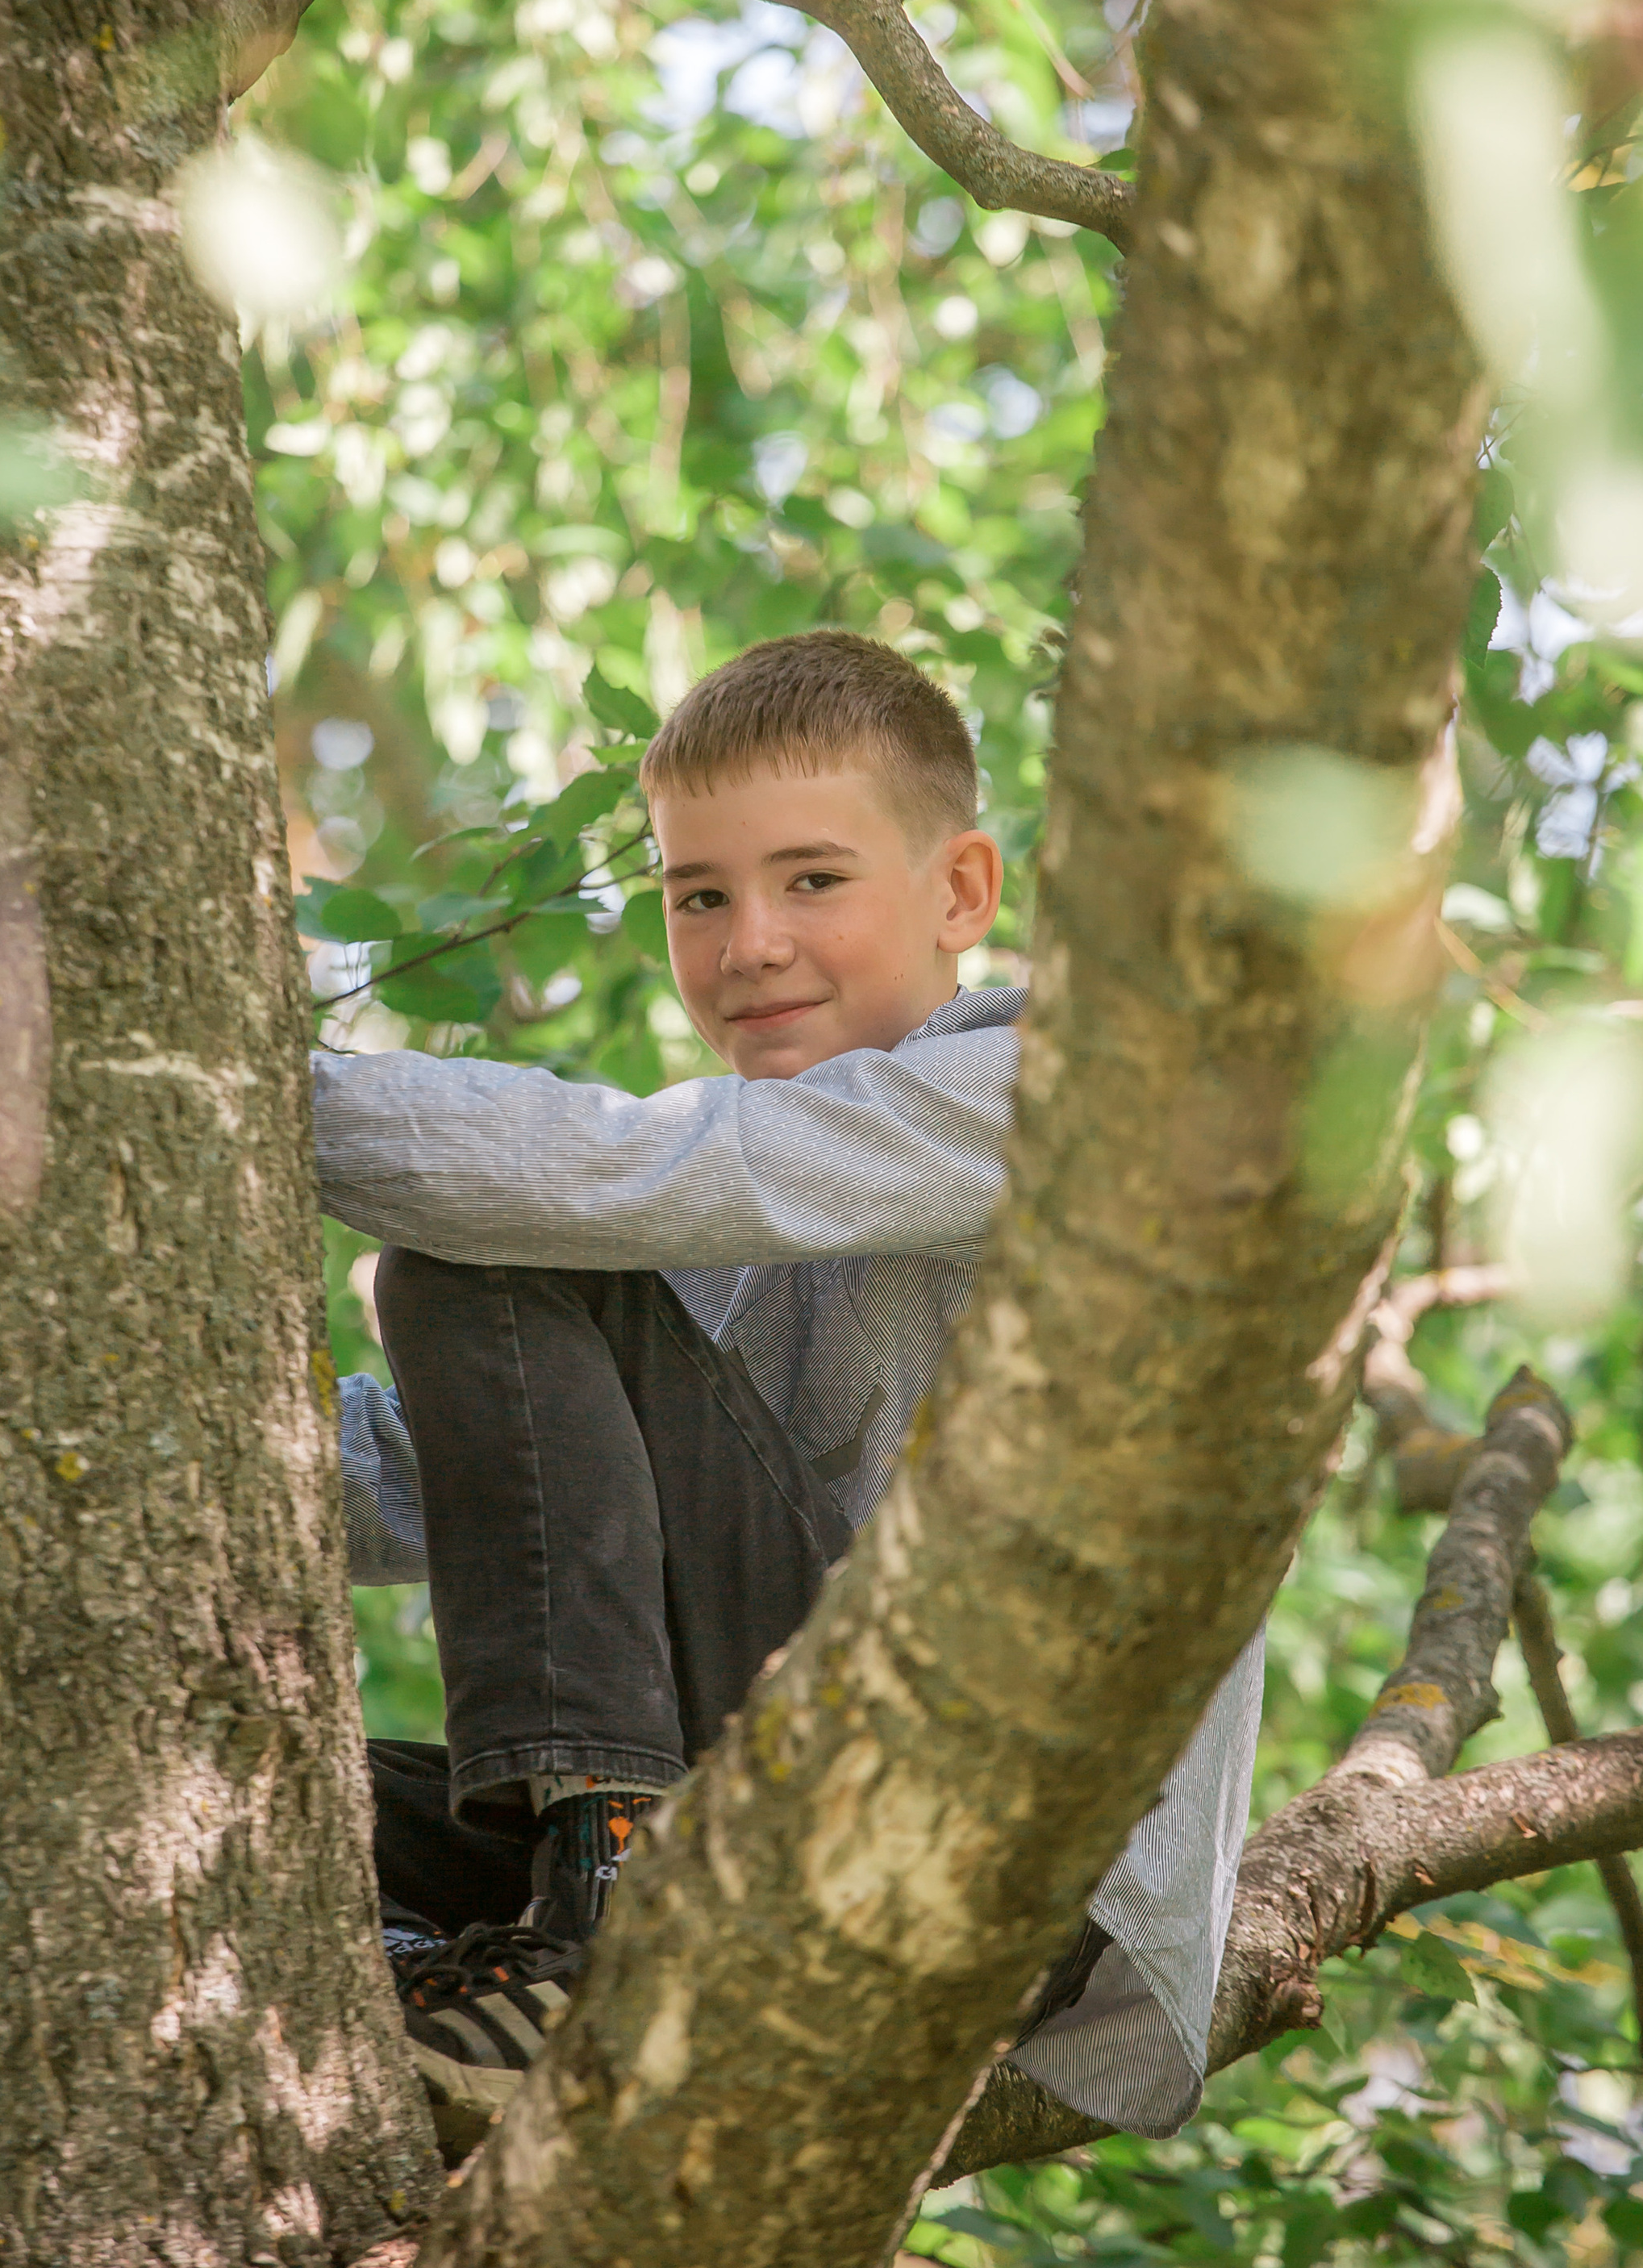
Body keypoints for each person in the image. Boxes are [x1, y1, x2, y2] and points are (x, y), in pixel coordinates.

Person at [315, 628, 1263, 2156]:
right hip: (754, 1824)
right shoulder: (723, 1246)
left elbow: (621, 1175)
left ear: (961, 893)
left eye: (813, 879)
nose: (749, 943)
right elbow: (442, 1477)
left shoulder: (1062, 1091)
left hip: (987, 1860)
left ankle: (604, 1922)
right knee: (268, 1800)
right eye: (699, 896)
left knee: (479, 1242)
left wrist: (256, 1090)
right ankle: (541, 1928)